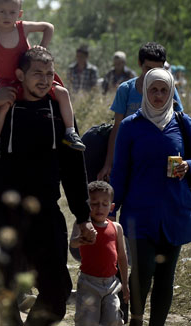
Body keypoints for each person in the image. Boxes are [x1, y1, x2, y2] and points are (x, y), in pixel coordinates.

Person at [0, 47, 96, 325]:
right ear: (19, 75)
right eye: (37, 73)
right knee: (1, 288)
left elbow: (74, 167)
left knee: (57, 290)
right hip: (0, 211)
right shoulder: (3, 105)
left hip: (44, 212)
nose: (44, 79)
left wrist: (83, 216)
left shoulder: (59, 111)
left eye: (49, 73)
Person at [110, 68, 191, 326]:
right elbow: (120, 170)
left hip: (173, 212)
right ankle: (134, 321)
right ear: (145, 91)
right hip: (139, 214)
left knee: (166, 277)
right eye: (153, 90)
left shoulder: (182, 123)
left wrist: (188, 164)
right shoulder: (130, 126)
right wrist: (111, 210)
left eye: (163, 90)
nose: (158, 95)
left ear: (171, 92)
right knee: (141, 274)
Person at [0, 0, 84, 160]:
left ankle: (71, 132)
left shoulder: (22, 27)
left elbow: (49, 27)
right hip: (7, 81)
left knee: (62, 92)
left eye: (12, 12)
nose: (7, 16)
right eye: (2, 12)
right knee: (4, 105)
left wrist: (42, 47)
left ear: (19, 13)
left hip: (30, 77)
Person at [97, 42, 184, 181]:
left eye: (158, 69)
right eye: (148, 68)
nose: (153, 74)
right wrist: (109, 164)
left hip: (161, 156)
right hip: (133, 156)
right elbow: (117, 128)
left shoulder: (168, 90)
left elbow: (179, 123)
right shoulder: (126, 89)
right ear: (139, 64)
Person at [70, 181, 129, 326]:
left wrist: (125, 284)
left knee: (113, 320)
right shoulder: (82, 224)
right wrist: (82, 238)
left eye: (104, 204)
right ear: (87, 206)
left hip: (111, 284)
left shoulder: (116, 228)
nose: (99, 208)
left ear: (111, 207)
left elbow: (122, 256)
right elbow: (72, 243)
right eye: (94, 203)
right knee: (87, 321)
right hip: (88, 283)